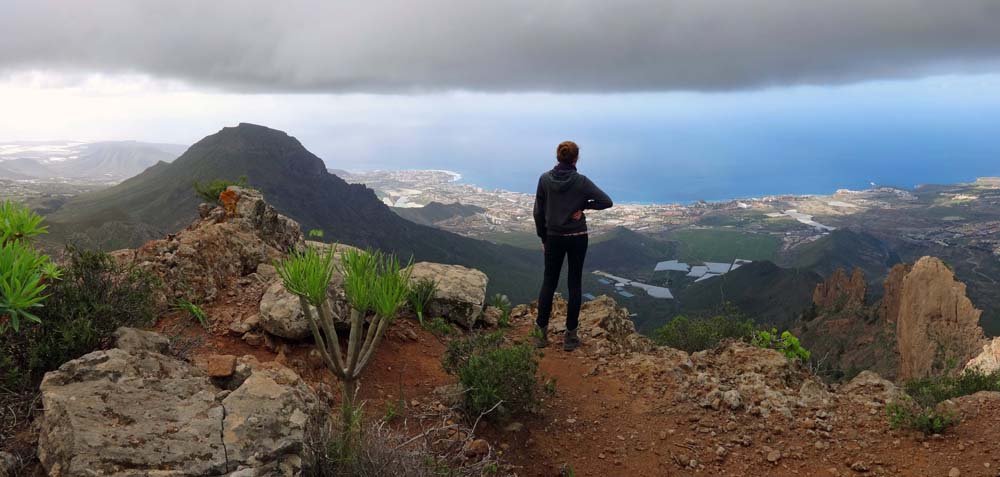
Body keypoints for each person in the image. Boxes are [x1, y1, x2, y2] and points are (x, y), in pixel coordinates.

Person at [532, 141, 613, 351]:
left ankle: (540, 335)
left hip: (554, 237)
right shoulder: (581, 182)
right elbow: (606, 201)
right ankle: (570, 337)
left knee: (549, 282)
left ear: (558, 156)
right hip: (577, 236)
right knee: (574, 284)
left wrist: (543, 237)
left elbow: (538, 212)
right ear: (576, 158)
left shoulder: (544, 179)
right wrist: (584, 205)